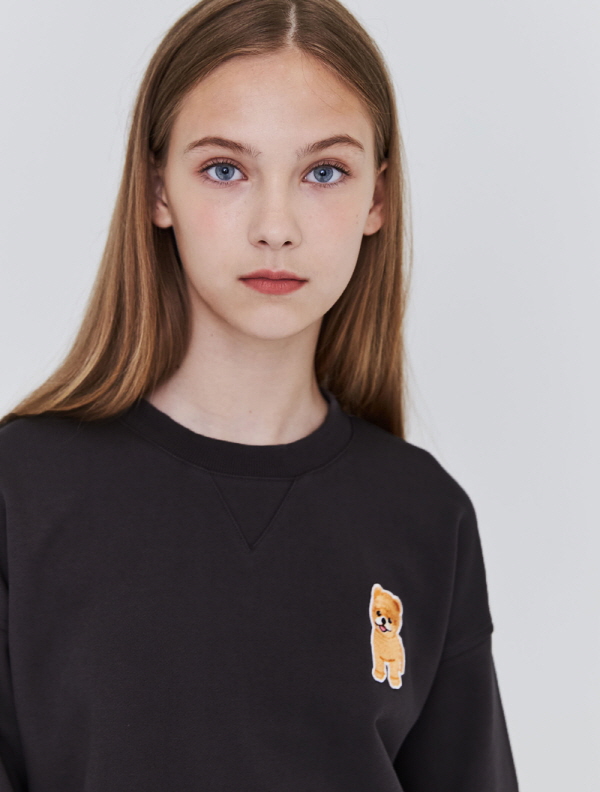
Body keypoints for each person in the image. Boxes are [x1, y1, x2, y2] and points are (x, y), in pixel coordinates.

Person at [0, 0, 520, 790]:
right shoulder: (22, 491)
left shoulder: (426, 517)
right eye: (225, 169)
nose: (275, 227)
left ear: (377, 199)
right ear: (157, 189)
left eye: (323, 172)